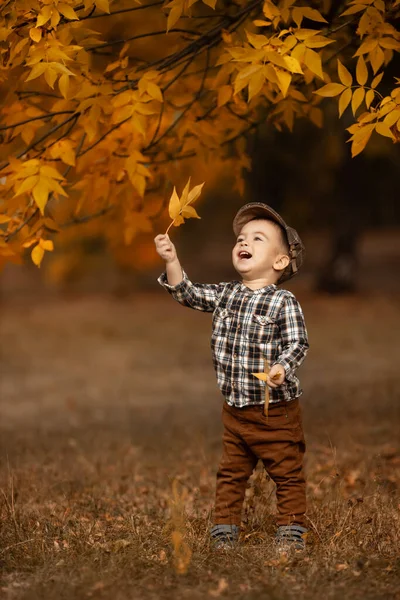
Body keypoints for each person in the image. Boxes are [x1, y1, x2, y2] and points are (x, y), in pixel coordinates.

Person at [154, 202, 309, 551]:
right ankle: (225, 527)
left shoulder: (283, 301)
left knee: (286, 471)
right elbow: (187, 293)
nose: (245, 242)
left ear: (280, 261)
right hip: (235, 410)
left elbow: (298, 342)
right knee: (231, 472)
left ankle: (291, 528)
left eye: (257, 238)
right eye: (241, 237)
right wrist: (171, 259)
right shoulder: (226, 294)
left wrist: (282, 367)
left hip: (275, 412)